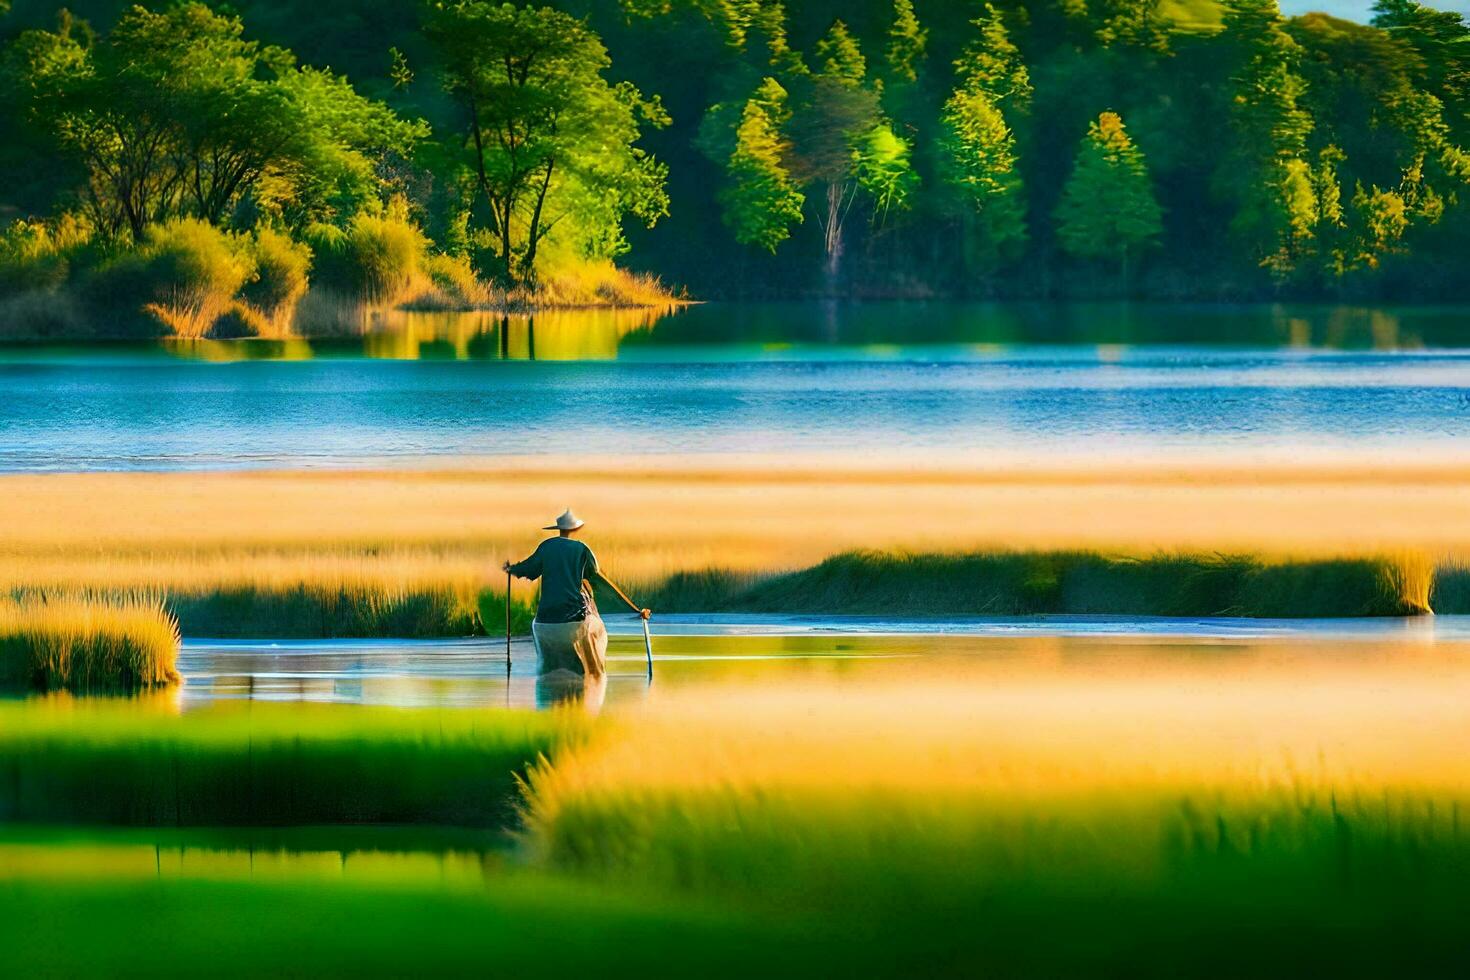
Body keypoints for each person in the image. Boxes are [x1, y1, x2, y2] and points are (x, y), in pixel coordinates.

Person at [504, 508, 650, 680]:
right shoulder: (581, 550)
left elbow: (525, 570)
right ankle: (592, 677)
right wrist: (635, 610)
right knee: (597, 628)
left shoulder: (546, 547)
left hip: (545, 621)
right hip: (573, 620)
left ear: (558, 529)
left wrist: (510, 568)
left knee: (547, 648)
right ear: (576, 529)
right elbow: (604, 586)